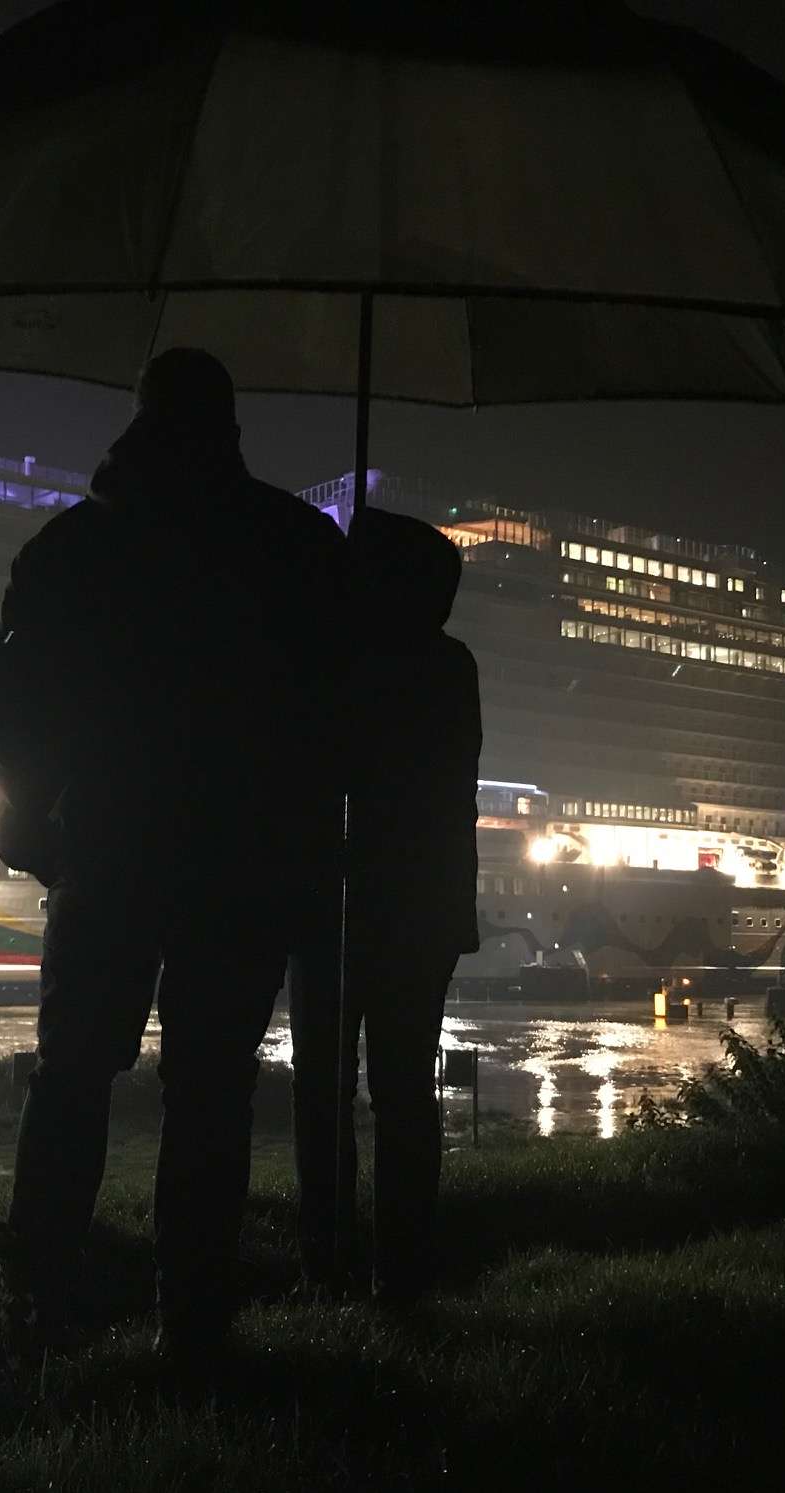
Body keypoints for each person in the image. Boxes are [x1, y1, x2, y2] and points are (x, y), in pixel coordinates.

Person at [0, 348, 345, 1363]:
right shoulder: (298, 544)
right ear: (230, 426)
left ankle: (39, 1300)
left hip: (109, 843)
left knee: (73, 1075)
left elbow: (12, 701)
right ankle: (195, 1321)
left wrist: (38, 825)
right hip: (244, 855)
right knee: (213, 1087)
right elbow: (337, 712)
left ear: (137, 423)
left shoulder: (72, 547)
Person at [289, 506, 481, 1306]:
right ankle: (402, 1266)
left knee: (324, 1093)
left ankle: (326, 1261)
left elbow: (311, 771)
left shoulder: (343, 662)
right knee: (405, 1093)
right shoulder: (448, 665)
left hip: (343, 904)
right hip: (423, 911)